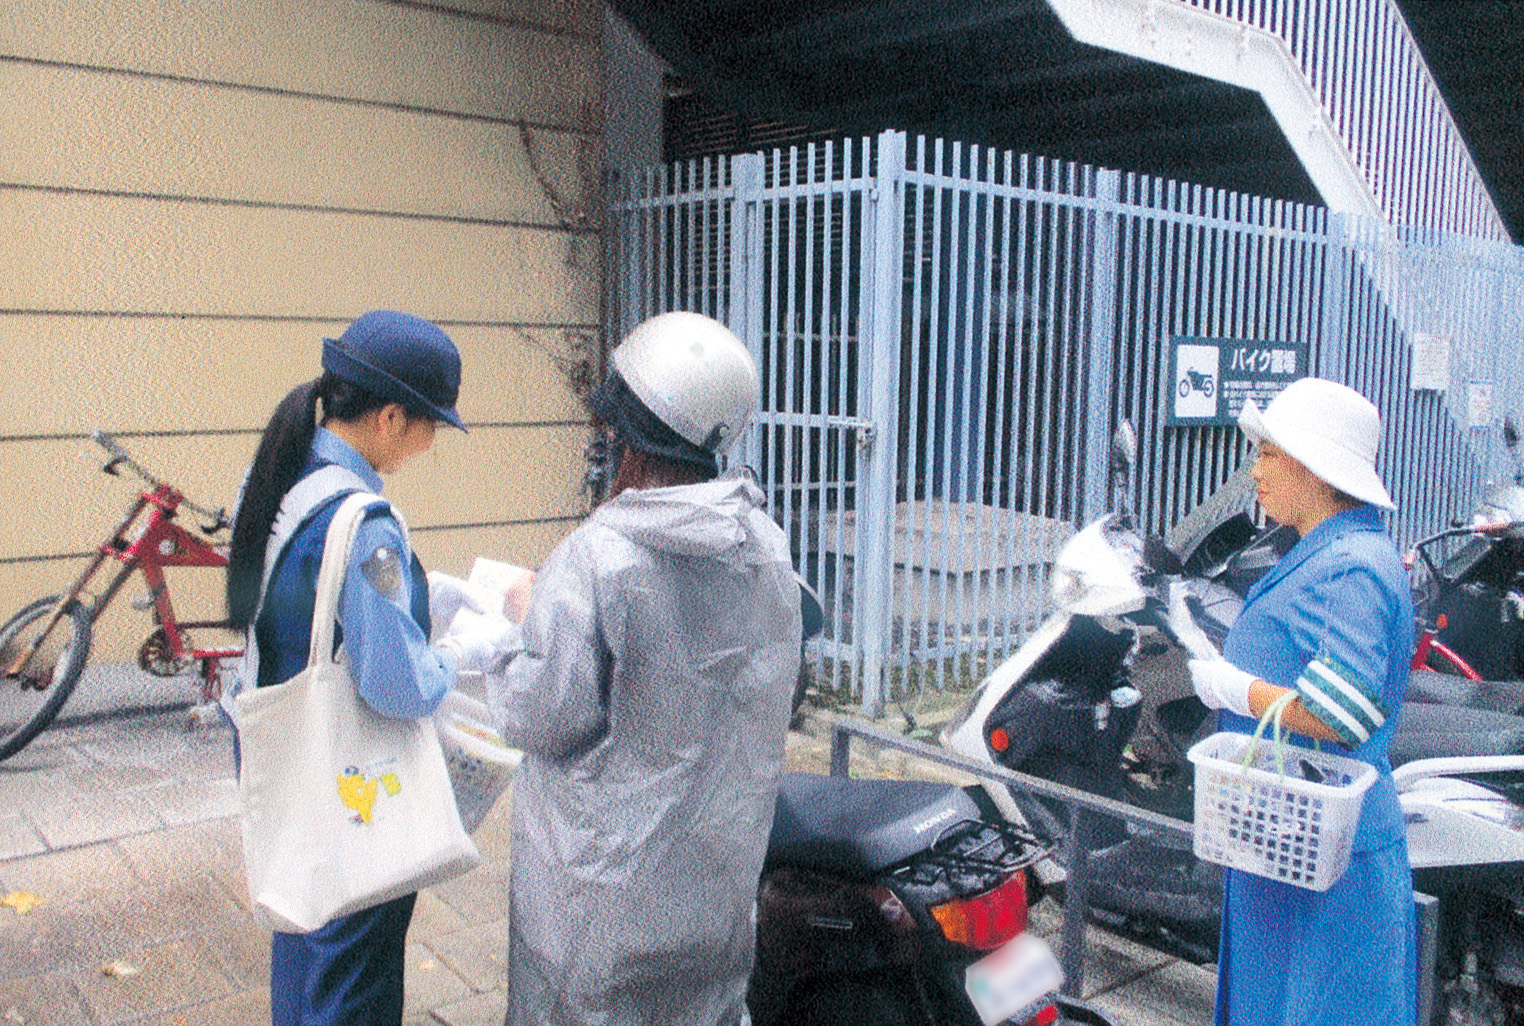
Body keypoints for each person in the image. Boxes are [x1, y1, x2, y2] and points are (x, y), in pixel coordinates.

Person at [447, 311, 803, 1026]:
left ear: (624, 434)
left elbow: (536, 714)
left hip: (603, 892)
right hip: (714, 879)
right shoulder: (765, 547)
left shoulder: (600, 557)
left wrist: (525, 618)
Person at [224, 309, 470, 1026]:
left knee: (301, 925)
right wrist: (457, 655)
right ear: (391, 418)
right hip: (347, 769)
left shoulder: (276, 473)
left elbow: (300, 598)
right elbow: (399, 685)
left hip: (278, 737)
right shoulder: (368, 525)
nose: (430, 442)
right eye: (432, 424)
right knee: (353, 971)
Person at [1186, 377, 1416, 1026]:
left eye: (1267, 454)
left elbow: (1342, 715)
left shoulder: (1354, 566)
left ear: (1314, 467)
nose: (1254, 470)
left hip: (1329, 862)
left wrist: (1235, 688)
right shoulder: (1324, 551)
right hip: (1288, 838)